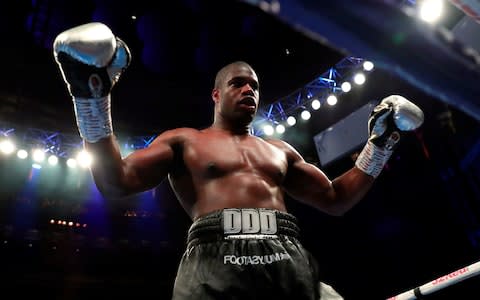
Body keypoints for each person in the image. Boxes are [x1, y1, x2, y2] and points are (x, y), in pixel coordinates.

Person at [52, 22, 424, 299]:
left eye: (255, 86)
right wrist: (91, 101)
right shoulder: (184, 140)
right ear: (216, 94)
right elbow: (116, 181)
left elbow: (336, 199)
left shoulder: (279, 150)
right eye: (238, 83)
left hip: (286, 253)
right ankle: (88, 87)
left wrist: (380, 146)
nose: (249, 89)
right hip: (217, 257)